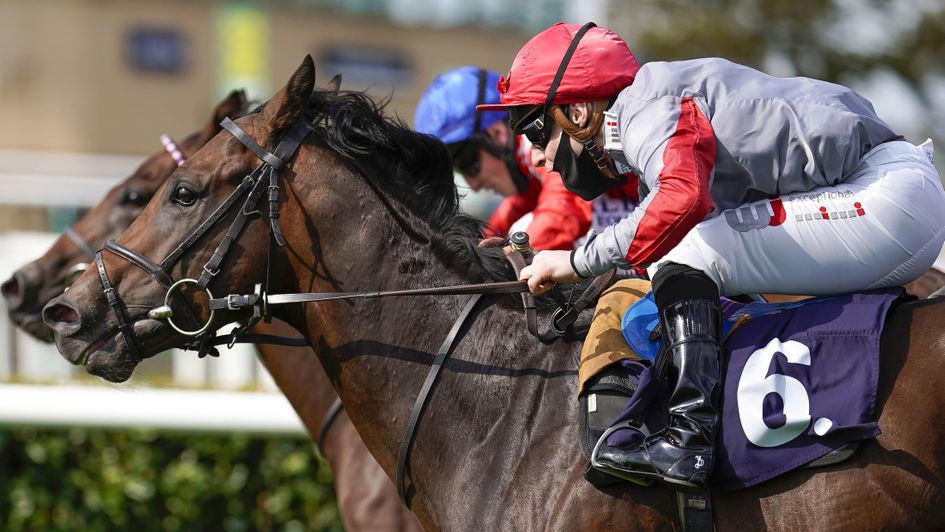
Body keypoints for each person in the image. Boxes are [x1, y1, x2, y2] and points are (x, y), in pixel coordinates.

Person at [480, 22, 945, 491]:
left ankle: (689, 438)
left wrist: (577, 261)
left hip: (887, 196)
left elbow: (679, 203)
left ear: (578, 111)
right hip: (891, 196)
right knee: (692, 253)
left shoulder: (645, 112)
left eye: (535, 132)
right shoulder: (648, 109)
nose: (536, 157)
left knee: (684, 249)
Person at [414, 66, 592, 250]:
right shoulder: (525, 159)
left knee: (521, 232)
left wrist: (498, 262)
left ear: (496, 133)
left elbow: (563, 210)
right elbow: (522, 201)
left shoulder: (538, 140)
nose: (474, 186)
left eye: (468, 164)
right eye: (459, 171)